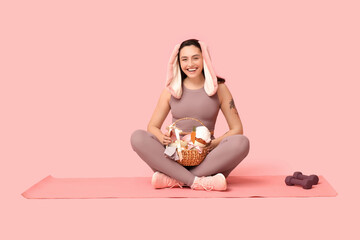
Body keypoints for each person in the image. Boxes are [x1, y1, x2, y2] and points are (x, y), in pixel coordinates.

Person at [130, 39, 250, 191]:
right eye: (184, 59)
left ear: (204, 58)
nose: (190, 64)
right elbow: (152, 126)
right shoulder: (171, 90)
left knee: (242, 143)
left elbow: (237, 129)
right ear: (178, 63)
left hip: (206, 156)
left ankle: (174, 179)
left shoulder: (219, 88)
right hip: (174, 155)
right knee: (138, 137)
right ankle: (199, 181)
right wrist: (163, 138)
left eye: (195, 58)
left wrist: (212, 144)